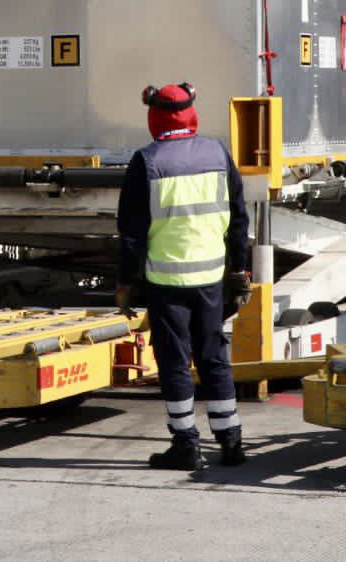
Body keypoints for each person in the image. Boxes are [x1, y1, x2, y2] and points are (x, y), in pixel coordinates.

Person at [116, 83, 251, 472]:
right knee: (214, 358)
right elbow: (239, 219)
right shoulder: (217, 153)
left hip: (167, 284)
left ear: (154, 117)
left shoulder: (146, 162)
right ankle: (231, 441)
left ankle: (186, 444)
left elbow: (131, 234)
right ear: (191, 113)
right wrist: (239, 270)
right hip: (211, 279)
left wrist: (125, 283)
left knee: (174, 362)